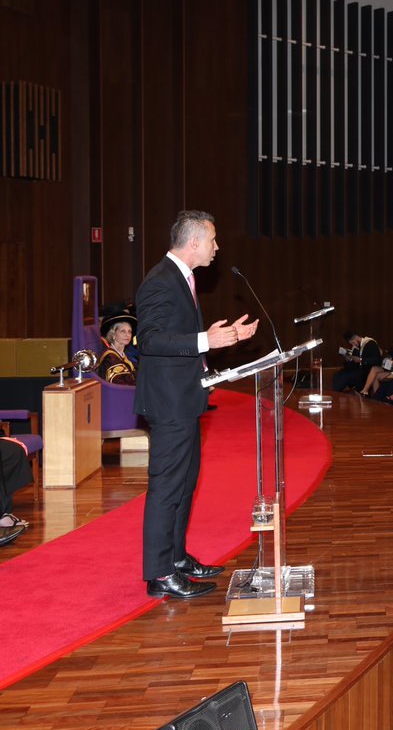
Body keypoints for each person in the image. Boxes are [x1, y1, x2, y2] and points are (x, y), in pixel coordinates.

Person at [135, 210, 258, 599]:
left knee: (185, 485)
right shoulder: (159, 282)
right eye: (212, 240)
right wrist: (205, 341)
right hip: (169, 404)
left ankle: (176, 559)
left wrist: (224, 338)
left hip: (185, 399)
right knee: (167, 488)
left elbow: (184, 337)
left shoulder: (181, 278)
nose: (217, 247)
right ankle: (159, 575)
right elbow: (150, 341)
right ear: (193, 243)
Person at [97, 311, 137, 385]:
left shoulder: (123, 356)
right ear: (113, 335)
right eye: (122, 331)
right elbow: (120, 386)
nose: (127, 335)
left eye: (129, 331)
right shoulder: (110, 358)